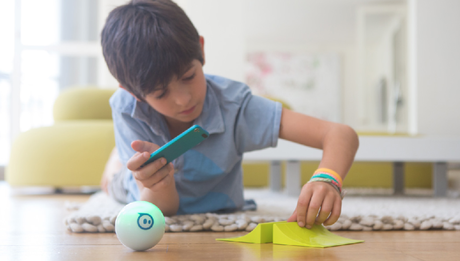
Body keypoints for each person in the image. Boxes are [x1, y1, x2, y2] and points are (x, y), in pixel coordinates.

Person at [100, 0, 359, 229]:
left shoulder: (235, 107)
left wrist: (327, 179)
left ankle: (118, 158)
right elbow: (163, 211)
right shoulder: (126, 107)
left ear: (201, 50)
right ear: (132, 92)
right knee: (111, 184)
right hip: (138, 190)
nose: (183, 99)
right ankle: (116, 165)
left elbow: (339, 134)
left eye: (189, 77)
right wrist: (161, 184)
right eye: (160, 93)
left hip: (218, 203)